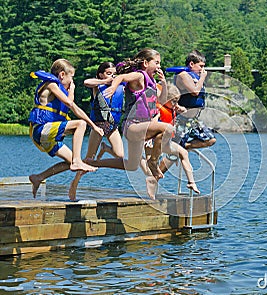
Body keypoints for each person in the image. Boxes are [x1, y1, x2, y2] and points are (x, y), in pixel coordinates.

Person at [85, 48, 176, 200]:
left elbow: (162, 100)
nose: (159, 66)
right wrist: (113, 86)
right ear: (145, 63)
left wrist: (164, 84)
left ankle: (94, 162)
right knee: (168, 128)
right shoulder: (140, 75)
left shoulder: (152, 81)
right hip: (133, 125)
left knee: (132, 165)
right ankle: (153, 163)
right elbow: (121, 77)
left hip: (142, 128)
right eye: (157, 63)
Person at [28, 59, 104, 198]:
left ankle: (38, 177)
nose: (72, 82)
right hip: (41, 129)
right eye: (72, 78)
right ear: (62, 74)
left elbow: (76, 109)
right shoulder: (51, 84)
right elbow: (70, 102)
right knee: (80, 124)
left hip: (48, 135)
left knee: (69, 162)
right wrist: (72, 91)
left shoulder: (60, 90)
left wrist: (94, 126)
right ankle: (77, 160)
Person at [69, 62, 125, 201]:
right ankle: (74, 184)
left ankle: (106, 148)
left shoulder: (119, 86)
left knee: (121, 156)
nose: (112, 76)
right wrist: (105, 81)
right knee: (89, 159)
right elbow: (86, 82)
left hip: (113, 127)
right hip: (98, 126)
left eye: (114, 73)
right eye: (108, 73)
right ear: (101, 74)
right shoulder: (97, 86)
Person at [145, 84, 200, 198]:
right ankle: (151, 187)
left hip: (166, 142)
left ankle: (191, 182)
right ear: (166, 99)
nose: (176, 104)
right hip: (155, 141)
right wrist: (149, 139)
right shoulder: (160, 109)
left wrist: (182, 109)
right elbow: (153, 123)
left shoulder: (172, 108)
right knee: (152, 164)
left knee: (184, 153)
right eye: (173, 101)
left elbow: (184, 112)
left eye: (177, 101)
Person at [174, 50, 216, 149]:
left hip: (193, 120)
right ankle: (179, 148)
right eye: (201, 66)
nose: (203, 69)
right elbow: (195, 92)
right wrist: (202, 77)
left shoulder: (196, 78)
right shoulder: (183, 75)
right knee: (173, 156)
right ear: (191, 64)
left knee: (210, 139)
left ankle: (184, 146)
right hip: (181, 120)